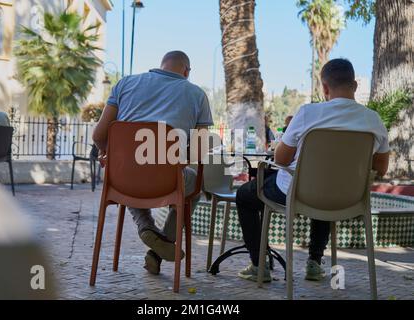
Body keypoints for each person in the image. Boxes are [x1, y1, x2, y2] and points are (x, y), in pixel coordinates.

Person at [235, 58, 390, 283]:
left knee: (245, 195)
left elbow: (281, 159)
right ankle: (314, 263)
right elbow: (381, 169)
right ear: (354, 85)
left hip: (296, 193)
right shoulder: (373, 120)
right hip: (347, 198)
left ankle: (260, 266)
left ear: (325, 88)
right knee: (329, 185)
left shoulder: (309, 112)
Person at [92, 51, 214, 275]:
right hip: (166, 181)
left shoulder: (125, 84)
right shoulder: (197, 94)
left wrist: (106, 151)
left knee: (130, 168)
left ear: (161, 65)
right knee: (194, 188)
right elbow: (199, 152)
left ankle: (146, 226)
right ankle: (159, 250)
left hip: (121, 178)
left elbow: (99, 135)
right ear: (186, 71)